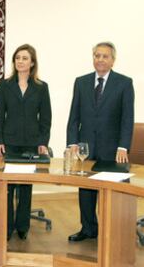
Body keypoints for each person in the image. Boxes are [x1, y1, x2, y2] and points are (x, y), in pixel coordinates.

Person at [67, 42, 134, 242]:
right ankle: (88, 228)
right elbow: (74, 116)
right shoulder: (81, 82)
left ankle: (112, 231)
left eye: (105, 56)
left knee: (111, 191)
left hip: (112, 148)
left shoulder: (124, 83)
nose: (100, 59)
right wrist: (72, 143)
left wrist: (123, 146)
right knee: (86, 190)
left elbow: (127, 118)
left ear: (113, 60)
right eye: (97, 55)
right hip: (86, 148)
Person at [0, 44, 52, 241]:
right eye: (17, 57)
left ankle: (23, 226)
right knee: (8, 187)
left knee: (26, 187)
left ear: (32, 62)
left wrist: (43, 142)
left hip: (32, 143)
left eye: (25, 58)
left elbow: (46, 118)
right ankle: (6, 226)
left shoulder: (41, 87)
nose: (20, 61)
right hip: (9, 142)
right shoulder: (5, 85)